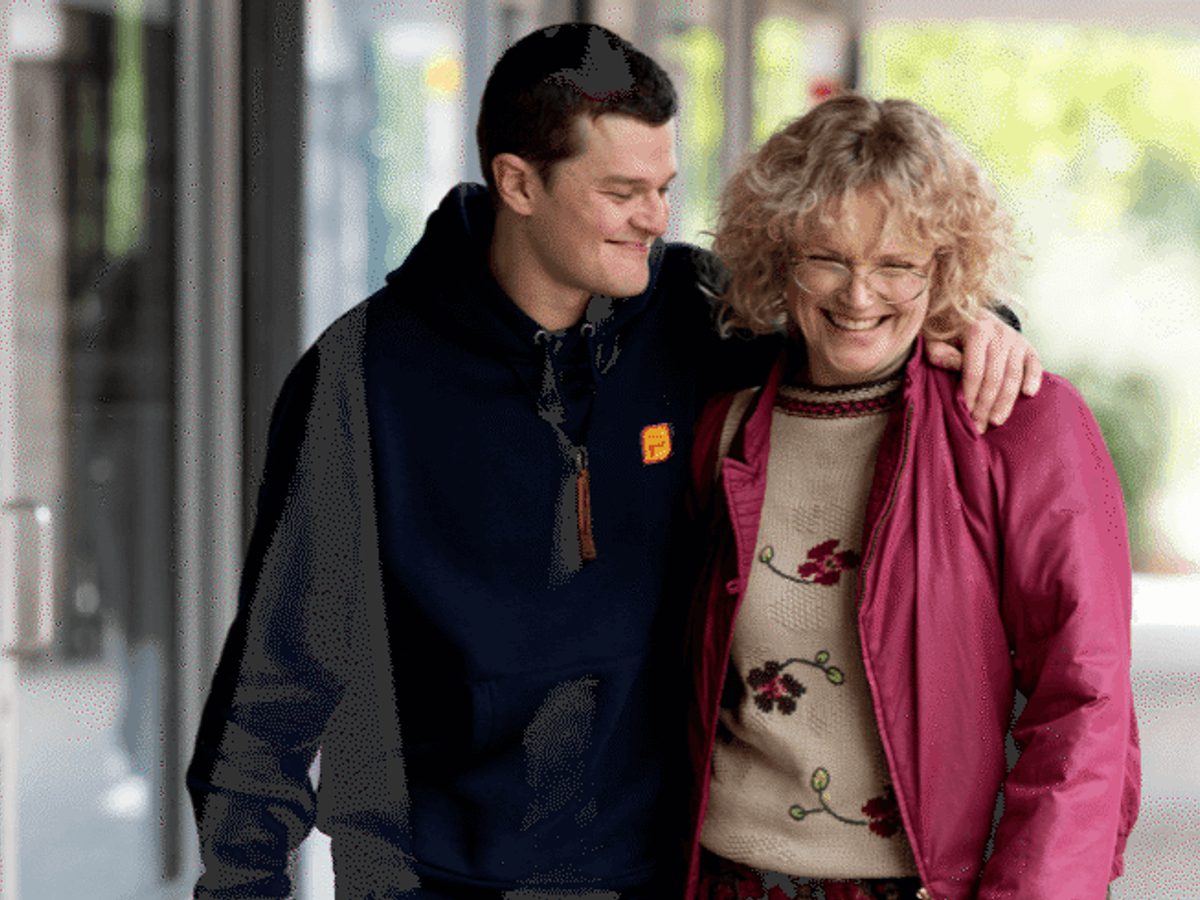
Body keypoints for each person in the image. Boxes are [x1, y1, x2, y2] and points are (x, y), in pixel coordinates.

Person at [186, 25, 1040, 899]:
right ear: (519, 183)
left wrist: (980, 323)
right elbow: (277, 680)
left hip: (652, 871)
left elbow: (858, 323)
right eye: (623, 192)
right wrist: (241, 884)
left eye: (663, 188)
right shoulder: (364, 374)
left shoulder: (696, 316)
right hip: (428, 876)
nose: (655, 218)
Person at [683, 94, 1140, 900]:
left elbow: (1086, 702)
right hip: (728, 878)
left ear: (944, 268)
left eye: (896, 264)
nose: (859, 296)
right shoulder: (725, 429)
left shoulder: (1020, 424)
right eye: (828, 258)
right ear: (780, 255)